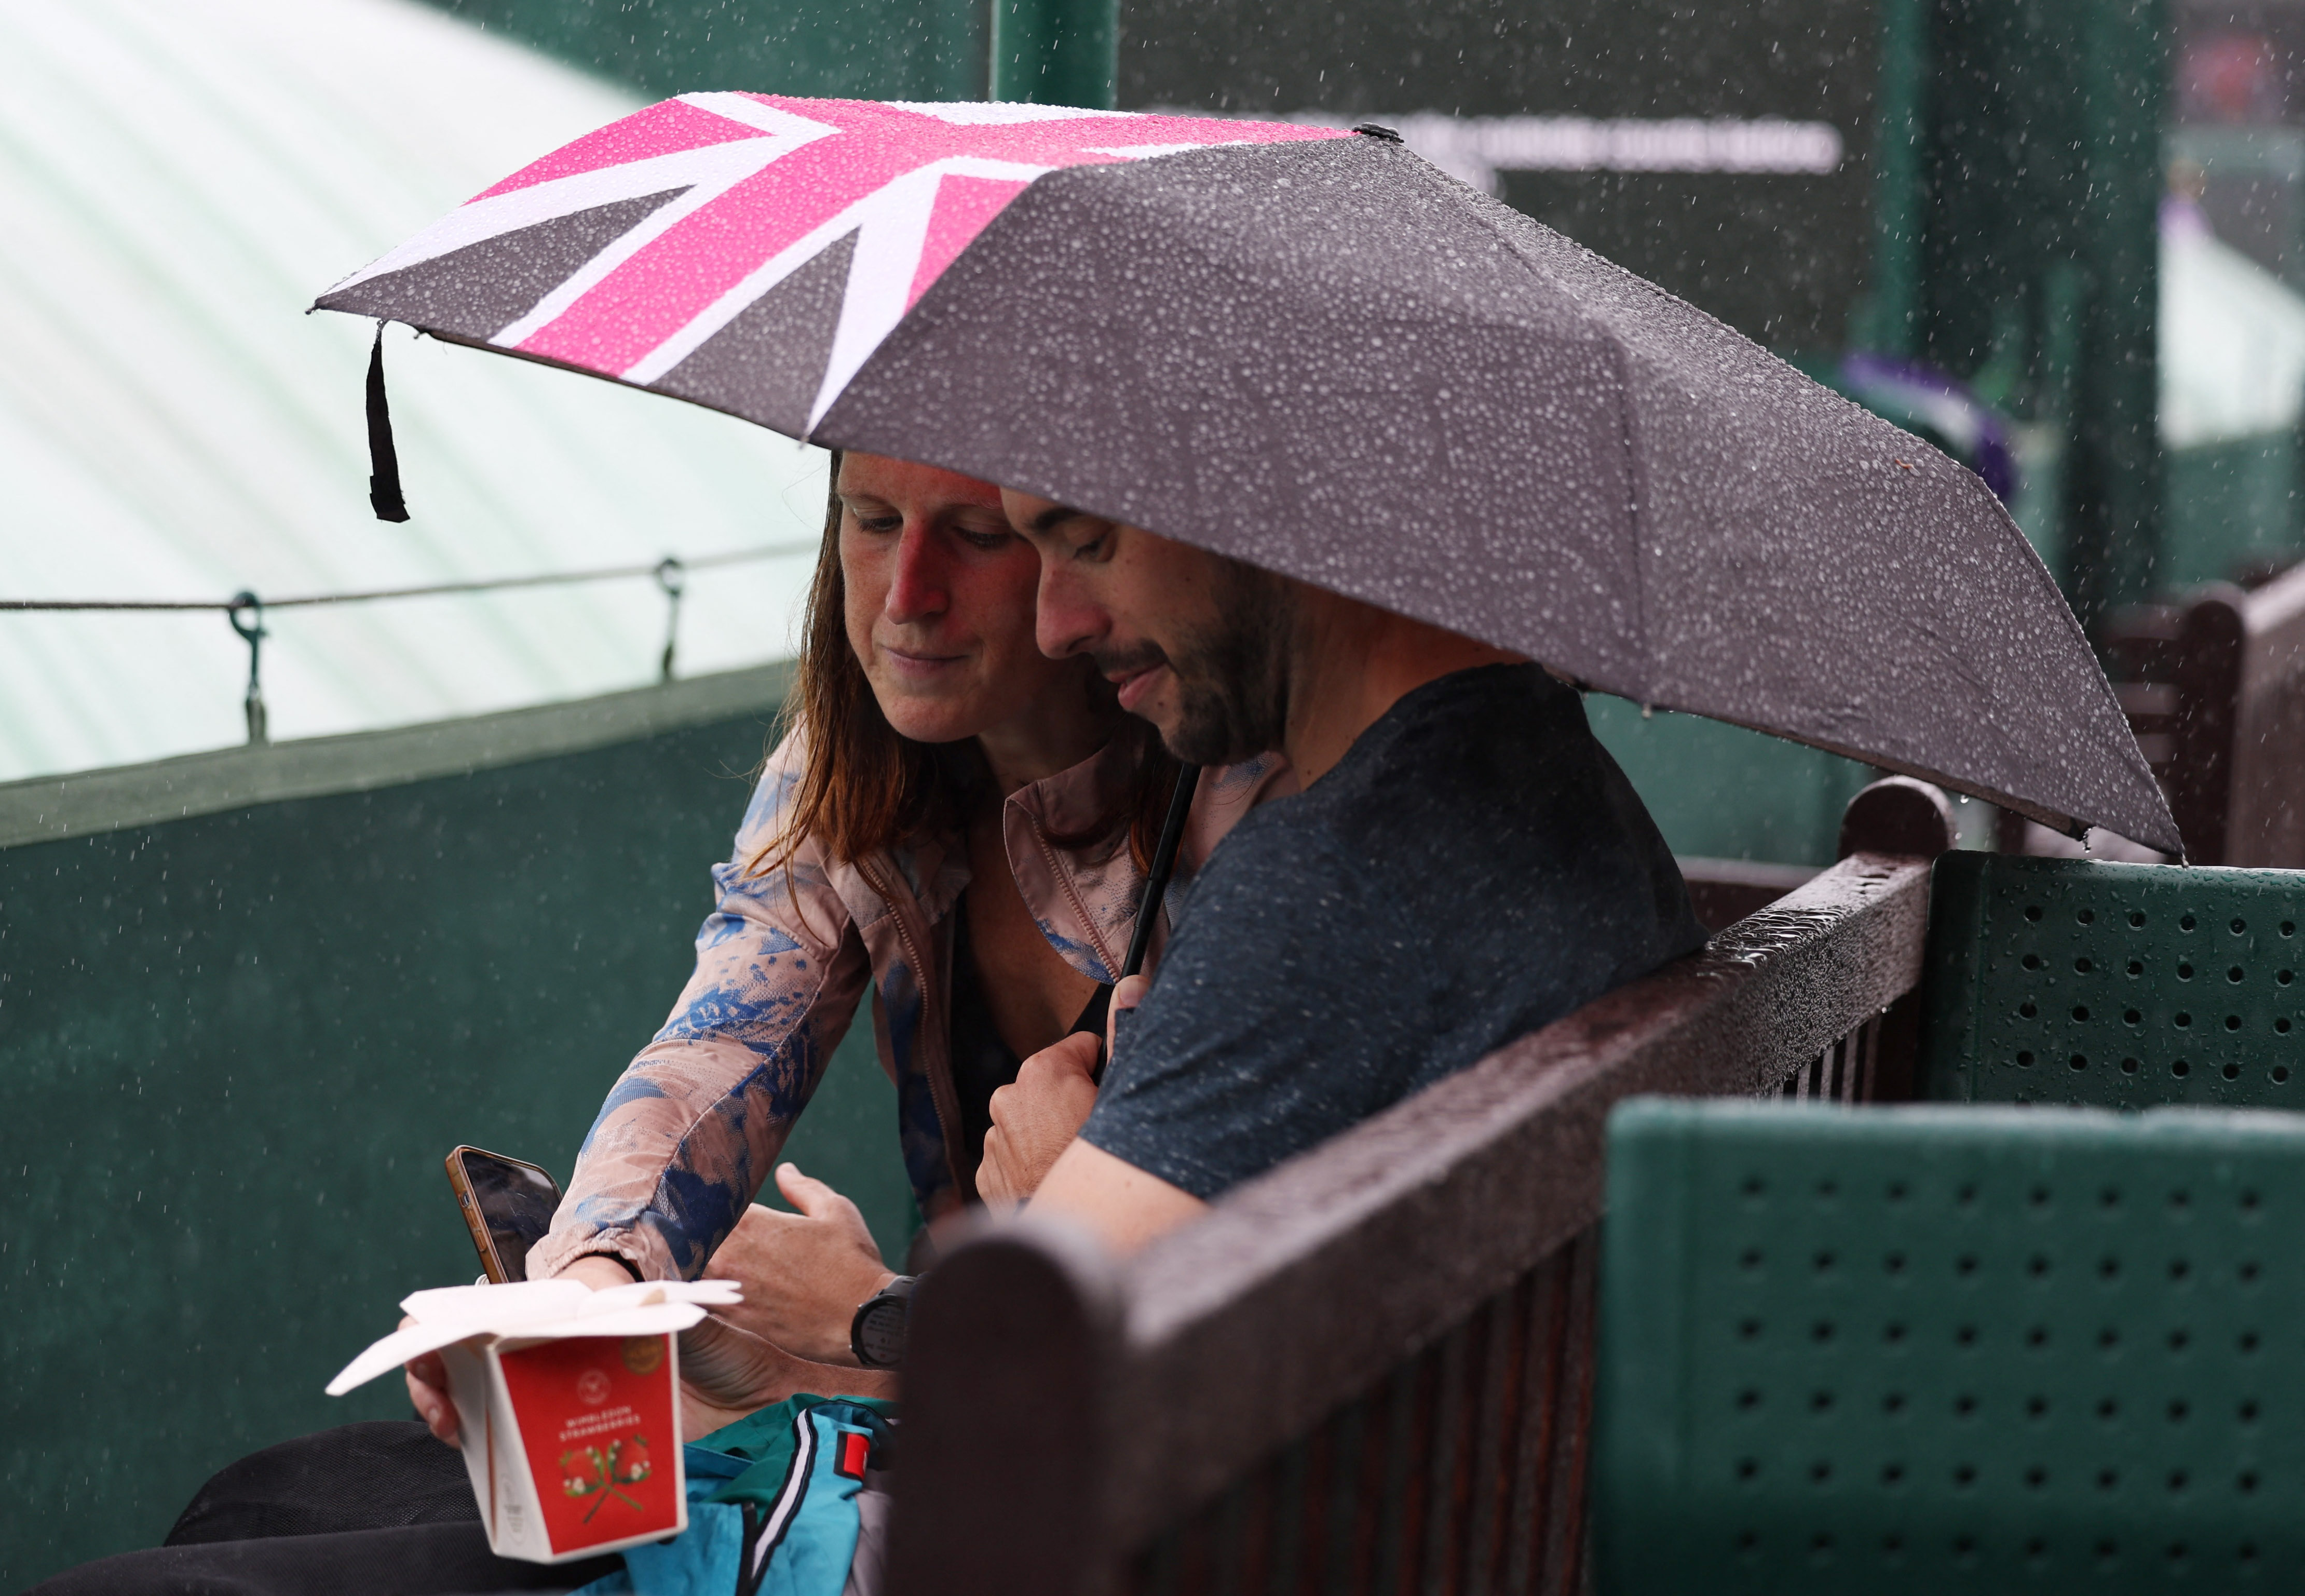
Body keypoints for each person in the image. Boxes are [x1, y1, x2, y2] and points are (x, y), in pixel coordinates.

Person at [406, 452, 1289, 1442]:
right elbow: (721, 1046)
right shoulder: (846, 770)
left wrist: (870, 1315)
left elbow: (1264, 1324)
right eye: (868, 519)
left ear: (1082, 542)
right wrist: (592, 1286)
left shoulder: (1251, 807)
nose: (906, 595)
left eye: (980, 534)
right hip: (974, 1406)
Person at [973, 494, 1707, 1256]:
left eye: (1089, 542)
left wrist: (1029, 1199)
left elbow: (1040, 1361)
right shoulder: (1551, 759)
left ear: (1276, 497)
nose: (1053, 627)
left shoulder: (1326, 879)